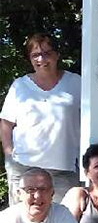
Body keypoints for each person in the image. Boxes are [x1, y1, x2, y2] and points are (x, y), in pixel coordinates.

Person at [1, 33, 81, 204]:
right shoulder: (19, 86)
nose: (42, 59)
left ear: (57, 55)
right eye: (35, 55)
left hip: (63, 169)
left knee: (63, 222)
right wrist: (9, 154)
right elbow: (6, 123)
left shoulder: (76, 83)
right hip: (23, 167)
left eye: (47, 53)